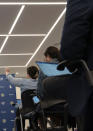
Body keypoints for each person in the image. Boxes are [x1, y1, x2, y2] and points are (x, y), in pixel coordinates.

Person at [42, 0, 93, 130]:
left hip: (88, 75)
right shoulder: (58, 63)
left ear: (48, 57)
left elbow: (71, 51)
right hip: (63, 101)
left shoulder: (44, 70)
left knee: (47, 85)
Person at [5, 66, 39, 131]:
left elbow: (12, 80)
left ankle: (21, 128)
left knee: (18, 111)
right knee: (33, 111)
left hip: (26, 110)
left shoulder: (23, 81)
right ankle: (34, 126)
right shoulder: (39, 83)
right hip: (37, 109)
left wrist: (7, 73)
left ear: (28, 74)